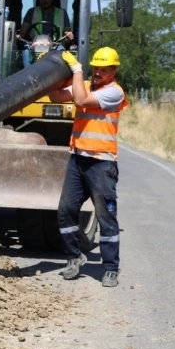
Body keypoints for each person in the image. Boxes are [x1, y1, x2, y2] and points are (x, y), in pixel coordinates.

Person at [46, 46, 129, 287]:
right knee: (65, 211)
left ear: (113, 71)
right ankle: (74, 257)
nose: (99, 72)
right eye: (96, 68)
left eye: (104, 69)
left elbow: (80, 99)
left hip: (102, 163)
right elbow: (56, 97)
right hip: (78, 159)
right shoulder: (87, 85)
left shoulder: (114, 93)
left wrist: (77, 69)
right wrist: (53, 71)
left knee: (106, 216)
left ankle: (111, 268)